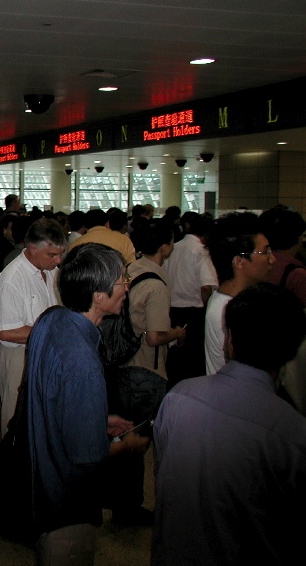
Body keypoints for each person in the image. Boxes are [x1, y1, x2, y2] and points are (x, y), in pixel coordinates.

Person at [152, 283, 306, 566]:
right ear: (290, 350)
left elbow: (164, 483)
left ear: (230, 340)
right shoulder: (293, 435)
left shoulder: (178, 398)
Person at [28, 243, 149, 565]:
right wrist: (129, 446)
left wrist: (97, 418)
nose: (127, 288)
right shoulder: (84, 365)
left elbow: (53, 396)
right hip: (68, 507)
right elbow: (89, 455)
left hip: (41, 487)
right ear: (99, 295)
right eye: (123, 280)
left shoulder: (51, 320)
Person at [108, 220, 185, 526]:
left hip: (121, 366)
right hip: (145, 371)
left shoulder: (129, 272)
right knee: (136, 443)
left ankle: (118, 502)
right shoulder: (156, 284)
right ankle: (129, 508)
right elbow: (155, 337)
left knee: (121, 436)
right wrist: (176, 332)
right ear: (166, 247)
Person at [0, 218, 67, 436]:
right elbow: (7, 331)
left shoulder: (51, 272)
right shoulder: (11, 279)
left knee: (44, 420)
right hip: (19, 357)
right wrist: (51, 331)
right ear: (32, 249)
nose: (58, 260)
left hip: (47, 352)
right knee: (16, 422)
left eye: (60, 254)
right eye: (52, 255)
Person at [205, 213, 274, 375]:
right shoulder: (228, 311)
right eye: (265, 252)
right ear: (239, 261)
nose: (272, 259)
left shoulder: (228, 300)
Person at [163, 212, 217, 384]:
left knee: (174, 360)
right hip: (194, 312)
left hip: (172, 310)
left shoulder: (175, 247)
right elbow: (206, 286)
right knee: (192, 363)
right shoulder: (201, 252)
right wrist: (207, 305)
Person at [69, 208, 136, 264]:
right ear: (107, 223)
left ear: (85, 226)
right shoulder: (123, 239)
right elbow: (131, 265)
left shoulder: (77, 243)